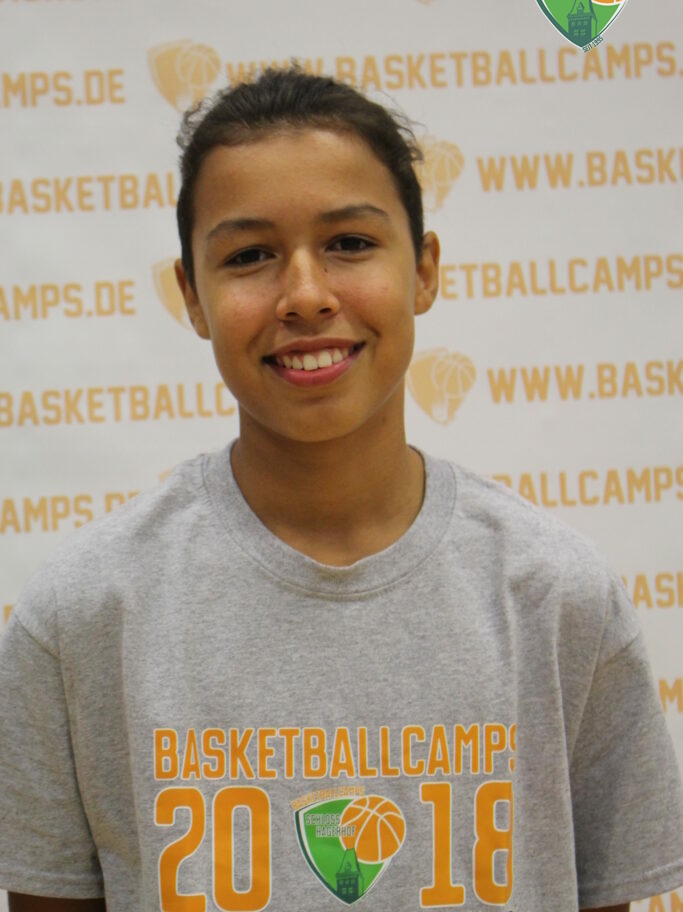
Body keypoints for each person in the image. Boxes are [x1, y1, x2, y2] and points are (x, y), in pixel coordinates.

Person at [0, 69, 681, 912]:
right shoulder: (82, 617)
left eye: (349, 243)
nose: (305, 295)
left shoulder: (557, 598)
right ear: (193, 298)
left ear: (423, 270)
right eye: (249, 256)